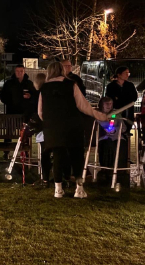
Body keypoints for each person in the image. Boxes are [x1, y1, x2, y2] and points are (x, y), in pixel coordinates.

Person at [38, 62, 110, 199]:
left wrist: (50, 121)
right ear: (62, 70)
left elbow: (40, 112)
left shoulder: (44, 88)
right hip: (72, 126)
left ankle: (58, 189)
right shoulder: (71, 85)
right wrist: (101, 116)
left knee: (58, 156)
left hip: (53, 128)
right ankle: (79, 188)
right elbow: (84, 106)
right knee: (77, 156)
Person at [0, 65, 36, 159]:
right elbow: (3, 96)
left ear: (24, 72)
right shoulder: (9, 83)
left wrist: (30, 96)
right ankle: (6, 152)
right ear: (15, 72)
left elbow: (34, 96)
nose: (19, 73)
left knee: (25, 132)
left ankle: (25, 151)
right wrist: (11, 102)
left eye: (21, 71)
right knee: (9, 132)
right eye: (17, 71)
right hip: (11, 111)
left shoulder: (28, 83)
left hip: (25, 112)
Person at [96, 97, 128, 187]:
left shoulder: (115, 114)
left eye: (110, 104)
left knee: (122, 144)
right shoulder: (98, 114)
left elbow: (123, 127)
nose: (109, 106)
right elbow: (105, 128)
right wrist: (111, 129)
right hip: (105, 137)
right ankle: (107, 170)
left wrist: (115, 130)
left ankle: (120, 171)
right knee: (108, 145)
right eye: (107, 104)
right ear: (102, 104)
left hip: (118, 136)